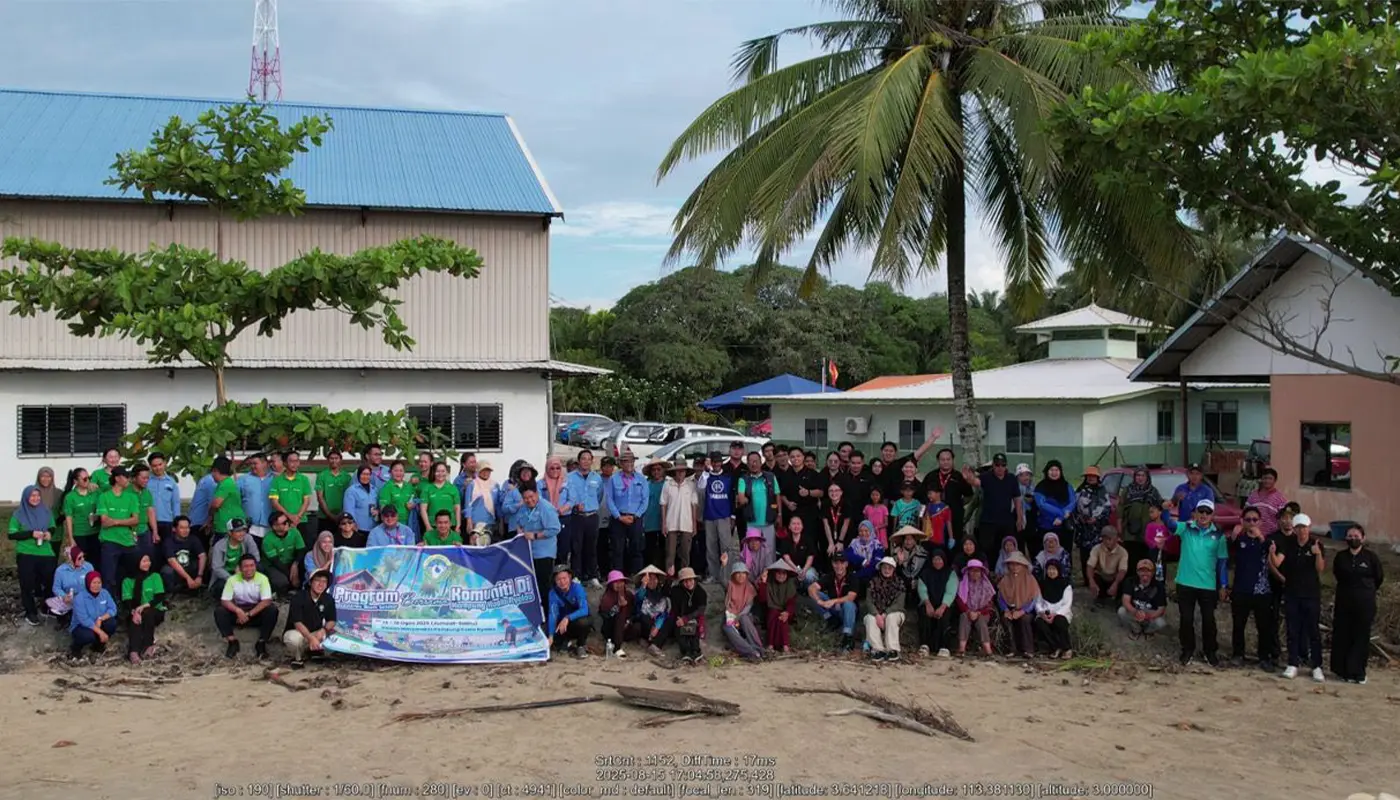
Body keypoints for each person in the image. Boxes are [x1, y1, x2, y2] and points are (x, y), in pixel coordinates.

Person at [1164, 497, 1228, 667]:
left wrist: (1223, 585)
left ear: (1212, 515)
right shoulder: (1186, 528)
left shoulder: (1218, 535)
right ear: (1195, 513)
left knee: (1209, 620)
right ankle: (1187, 650)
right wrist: (1165, 510)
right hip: (1185, 582)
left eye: (1208, 512)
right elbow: (1170, 525)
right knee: (1186, 619)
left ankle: (1210, 652)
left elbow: (1222, 562)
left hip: (1208, 585)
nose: (1204, 515)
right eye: (1201, 511)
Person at [1274, 513, 1325, 682]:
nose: (1302, 531)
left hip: (1311, 594)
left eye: (1304, 527)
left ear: (1309, 528)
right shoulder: (1289, 544)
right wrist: (1272, 553)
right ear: (1295, 529)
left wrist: (1317, 554)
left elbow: (1320, 568)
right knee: (1293, 630)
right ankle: (1292, 663)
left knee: (1313, 631)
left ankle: (1316, 666)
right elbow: (1278, 562)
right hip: (1292, 593)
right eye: (1299, 527)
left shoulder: (1316, 544)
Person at [1331, 524, 1383, 684]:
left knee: (1361, 637)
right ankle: (1343, 671)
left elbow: (1379, 578)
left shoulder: (1371, 557)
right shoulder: (1340, 557)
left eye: (1356, 536)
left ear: (1363, 538)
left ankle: (1358, 672)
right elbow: (1337, 575)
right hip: (1344, 603)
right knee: (1343, 635)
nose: (1353, 539)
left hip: (1364, 604)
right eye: (1350, 536)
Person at [1228, 507, 1278, 671]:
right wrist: (1233, 536)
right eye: (1248, 520)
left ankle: (1264, 657)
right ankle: (1238, 654)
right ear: (1242, 521)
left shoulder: (1267, 541)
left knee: (1264, 626)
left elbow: (1272, 557)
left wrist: (1260, 537)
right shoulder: (1238, 540)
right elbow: (1226, 555)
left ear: (1260, 522)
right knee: (1238, 625)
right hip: (1241, 589)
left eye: (1255, 520)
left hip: (1262, 591)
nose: (1251, 523)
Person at [216, 553, 279, 660]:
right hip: (238, 612)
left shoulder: (263, 578)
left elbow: (266, 601)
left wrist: (249, 614)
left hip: (255, 612)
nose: (249, 569)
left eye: (252, 565)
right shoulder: (232, 580)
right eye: (245, 566)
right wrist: (238, 611)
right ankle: (232, 642)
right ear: (240, 568)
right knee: (220, 611)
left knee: (272, 610)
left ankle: (261, 643)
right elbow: (225, 601)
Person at [11, 484, 58, 625]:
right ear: (26, 497)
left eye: (37, 495)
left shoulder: (46, 511)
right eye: (32, 496)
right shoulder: (18, 514)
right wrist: (31, 534)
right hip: (26, 552)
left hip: (45, 551)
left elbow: (52, 527)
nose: (35, 498)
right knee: (27, 583)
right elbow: (12, 534)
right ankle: (30, 612)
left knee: (50, 579)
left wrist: (49, 533)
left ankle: (47, 607)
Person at [514, 486, 562, 608]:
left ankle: (547, 612)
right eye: (525, 498)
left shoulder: (546, 508)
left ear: (537, 494)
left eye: (531, 496)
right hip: (529, 553)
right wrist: (519, 529)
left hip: (544, 553)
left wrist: (535, 535)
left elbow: (555, 529)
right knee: (531, 585)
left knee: (544, 585)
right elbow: (519, 522)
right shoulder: (523, 508)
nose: (529, 500)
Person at [967, 453, 1023, 556]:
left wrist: (1019, 517)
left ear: (1006, 466)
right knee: (987, 549)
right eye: (997, 465)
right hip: (988, 521)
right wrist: (969, 476)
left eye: (1003, 465)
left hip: (1006, 521)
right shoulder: (986, 477)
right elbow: (975, 482)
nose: (1000, 467)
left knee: (1008, 548)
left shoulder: (1011, 478)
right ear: (993, 465)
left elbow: (1017, 498)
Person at [97, 466, 141, 594]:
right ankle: (109, 602)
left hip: (128, 542)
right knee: (108, 577)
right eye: (126, 477)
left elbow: (135, 520)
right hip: (109, 541)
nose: (128, 480)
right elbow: (105, 521)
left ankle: (128, 601)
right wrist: (125, 521)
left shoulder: (132, 497)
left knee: (130, 575)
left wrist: (115, 521)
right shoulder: (104, 497)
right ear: (117, 478)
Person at [605, 452, 649, 579]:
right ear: (621, 464)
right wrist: (619, 517)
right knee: (617, 549)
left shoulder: (641, 479)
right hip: (618, 518)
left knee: (636, 548)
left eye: (631, 461)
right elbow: (609, 500)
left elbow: (645, 500)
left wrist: (636, 516)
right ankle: (618, 576)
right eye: (625, 461)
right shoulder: (614, 479)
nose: (629, 464)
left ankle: (636, 575)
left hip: (635, 518)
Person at [284, 569, 337, 668]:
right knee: (293, 638)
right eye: (317, 580)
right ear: (310, 582)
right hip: (299, 632)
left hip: (316, 632)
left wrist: (324, 630)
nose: (321, 584)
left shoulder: (328, 598)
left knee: (334, 632)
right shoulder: (298, 597)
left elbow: (332, 620)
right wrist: (311, 638)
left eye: (324, 581)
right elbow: (297, 623)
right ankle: (298, 658)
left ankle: (315, 652)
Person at [808, 552, 860, 651]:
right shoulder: (830, 576)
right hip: (833, 609)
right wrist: (820, 601)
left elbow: (851, 597)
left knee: (849, 604)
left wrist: (834, 601)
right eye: (836, 563)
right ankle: (830, 620)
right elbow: (811, 588)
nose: (839, 566)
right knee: (815, 594)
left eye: (842, 563)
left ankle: (848, 636)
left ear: (846, 564)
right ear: (832, 564)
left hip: (846, 611)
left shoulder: (853, 578)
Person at [121, 552, 166, 664]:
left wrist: (144, 606)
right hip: (136, 610)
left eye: (148, 561)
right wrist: (134, 612)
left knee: (147, 613)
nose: (148, 563)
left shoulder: (155, 576)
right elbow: (127, 601)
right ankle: (133, 652)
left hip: (155, 609)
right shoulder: (127, 581)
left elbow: (159, 596)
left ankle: (148, 646)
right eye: (144, 561)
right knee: (135, 620)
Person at [1116, 467, 1163, 568]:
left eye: (1143, 475)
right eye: (1138, 475)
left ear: (1147, 477)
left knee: (1146, 558)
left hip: (1147, 531)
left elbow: (1160, 508)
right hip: (1130, 531)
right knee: (1131, 557)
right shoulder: (1127, 490)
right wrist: (1119, 524)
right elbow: (1120, 507)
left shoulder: (1153, 491)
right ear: (1134, 477)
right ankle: (1132, 577)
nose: (1140, 478)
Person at [863, 556, 906, 661]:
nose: (887, 570)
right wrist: (877, 615)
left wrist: (885, 614)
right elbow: (869, 601)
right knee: (869, 619)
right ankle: (878, 650)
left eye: (889, 568)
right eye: (884, 568)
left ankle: (893, 650)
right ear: (880, 568)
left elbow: (899, 604)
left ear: (893, 569)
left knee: (891, 617)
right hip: (877, 613)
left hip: (895, 613)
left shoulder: (899, 583)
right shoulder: (873, 582)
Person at [915, 548, 957, 657]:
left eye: (939, 559)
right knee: (924, 613)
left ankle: (944, 647)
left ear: (944, 560)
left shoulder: (950, 573)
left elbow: (950, 592)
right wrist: (928, 604)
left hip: (945, 603)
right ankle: (925, 645)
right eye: (935, 559)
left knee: (945, 616)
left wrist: (942, 607)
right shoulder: (925, 573)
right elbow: (922, 589)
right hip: (928, 602)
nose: (937, 562)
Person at [659, 460, 698, 576]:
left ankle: (684, 577)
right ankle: (669, 578)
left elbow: (694, 505)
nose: (680, 473)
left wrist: (694, 524)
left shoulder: (691, 485)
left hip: (687, 523)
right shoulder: (668, 484)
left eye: (683, 471)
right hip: (671, 523)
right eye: (678, 471)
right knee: (670, 553)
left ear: (686, 472)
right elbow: (663, 504)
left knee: (685, 552)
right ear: (674, 472)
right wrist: (663, 523)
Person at [1072, 467, 1111, 580]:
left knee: (1098, 554)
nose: (1091, 478)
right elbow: (1074, 507)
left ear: (1097, 478)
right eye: (1088, 476)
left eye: (1093, 476)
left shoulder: (1102, 490)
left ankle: (1097, 579)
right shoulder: (1080, 490)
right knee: (1084, 555)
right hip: (1083, 529)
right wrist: (1080, 518)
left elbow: (1107, 508)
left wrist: (1097, 519)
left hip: (1098, 529)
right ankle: (1086, 579)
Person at [998, 551, 1039, 658]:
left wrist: (1023, 611)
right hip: (1010, 609)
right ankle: (1011, 649)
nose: (1014, 567)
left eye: (1017, 564)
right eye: (1012, 564)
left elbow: (1034, 599)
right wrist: (1006, 610)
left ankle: (1028, 650)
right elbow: (1001, 597)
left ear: (1023, 565)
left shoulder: (1030, 579)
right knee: (1005, 620)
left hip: (1027, 610)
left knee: (1025, 619)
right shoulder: (1005, 579)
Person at [69, 571, 118, 659]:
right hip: (81, 626)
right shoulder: (79, 598)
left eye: (99, 583)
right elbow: (84, 620)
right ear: (88, 583)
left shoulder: (104, 593)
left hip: (99, 622)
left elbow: (113, 609)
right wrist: (100, 632)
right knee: (88, 636)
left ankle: (98, 646)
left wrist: (100, 618)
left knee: (112, 623)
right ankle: (75, 648)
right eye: (94, 583)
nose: (97, 585)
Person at [546, 564, 592, 659]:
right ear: (555, 581)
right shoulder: (553, 593)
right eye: (558, 579)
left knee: (584, 622)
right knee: (548, 633)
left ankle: (580, 645)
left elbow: (584, 610)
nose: (562, 582)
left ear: (570, 577)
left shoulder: (577, 588)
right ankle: (566, 642)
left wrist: (567, 618)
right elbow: (552, 614)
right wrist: (550, 636)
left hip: (575, 621)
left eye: (564, 578)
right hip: (562, 625)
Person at [721, 561, 764, 661]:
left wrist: (738, 618)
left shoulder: (750, 587)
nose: (741, 576)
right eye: (738, 573)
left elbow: (748, 607)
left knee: (745, 619)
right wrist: (723, 566)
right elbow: (722, 579)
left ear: (747, 575)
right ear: (733, 575)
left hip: (745, 615)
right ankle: (751, 652)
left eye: (743, 573)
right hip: (731, 615)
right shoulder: (730, 585)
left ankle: (759, 649)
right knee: (727, 627)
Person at [210, 520, 262, 599]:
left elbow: (256, 556)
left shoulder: (248, 538)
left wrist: (241, 567)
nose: (242, 533)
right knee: (220, 586)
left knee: (260, 567)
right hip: (226, 574)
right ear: (230, 533)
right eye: (238, 531)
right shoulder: (219, 546)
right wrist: (234, 579)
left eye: (243, 530)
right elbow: (217, 568)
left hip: (243, 570)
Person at [1033, 560, 1074, 658]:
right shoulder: (1042, 584)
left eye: (1054, 569)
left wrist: (1056, 614)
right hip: (1045, 613)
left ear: (1059, 570)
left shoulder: (1066, 585)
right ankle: (1055, 648)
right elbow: (1038, 602)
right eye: (1049, 569)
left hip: (1061, 613)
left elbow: (1067, 604)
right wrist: (1042, 613)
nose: (1051, 572)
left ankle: (1067, 648)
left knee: (1059, 621)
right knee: (1040, 623)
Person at [956, 559, 996, 656]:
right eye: (972, 571)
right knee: (964, 617)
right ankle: (961, 649)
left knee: (981, 620)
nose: (975, 573)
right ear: (968, 572)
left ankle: (987, 650)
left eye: (977, 571)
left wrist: (978, 613)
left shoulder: (987, 585)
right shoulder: (963, 584)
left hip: (983, 613)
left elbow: (990, 605)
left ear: (981, 572)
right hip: (968, 611)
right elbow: (960, 601)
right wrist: (968, 611)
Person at [630, 565, 672, 657]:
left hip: (657, 626)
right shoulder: (641, 592)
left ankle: (654, 645)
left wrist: (657, 626)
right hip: (645, 624)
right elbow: (639, 598)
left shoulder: (661, 594)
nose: (652, 581)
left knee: (669, 620)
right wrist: (644, 585)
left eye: (654, 579)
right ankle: (649, 640)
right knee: (643, 617)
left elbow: (663, 613)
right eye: (649, 579)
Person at [1119, 559, 1168, 637]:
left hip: (1150, 612)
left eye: (1148, 570)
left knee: (1161, 623)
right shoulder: (1130, 581)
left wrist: (1149, 616)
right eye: (1141, 570)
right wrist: (1135, 612)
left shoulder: (1159, 586)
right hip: (1134, 610)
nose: (1145, 573)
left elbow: (1161, 609)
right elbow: (1125, 601)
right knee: (1121, 611)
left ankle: (1148, 631)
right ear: (1137, 572)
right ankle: (1136, 629)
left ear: (1153, 573)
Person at [261, 511, 306, 595]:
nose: (288, 524)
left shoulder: (294, 531)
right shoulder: (268, 540)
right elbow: (276, 561)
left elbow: (301, 550)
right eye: (284, 523)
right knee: (282, 581)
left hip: (291, 562)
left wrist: (295, 565)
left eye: (288, 521)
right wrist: (292, 576)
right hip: (274, 565)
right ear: (274, 526)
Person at [49, 546, 94, 628]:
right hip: (69, 598)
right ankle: (63, 620)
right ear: (71, 559)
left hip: (85, 597)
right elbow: (56, 588)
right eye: (79, 558)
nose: (83, 559)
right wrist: (64, 596)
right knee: (57, 601)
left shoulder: (88, 567)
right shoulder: (60, 571)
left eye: (83, 556)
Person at [160, 516, 207, 596]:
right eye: (182, 528)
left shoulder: (193, 539)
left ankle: (193, 586)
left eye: (187, 527)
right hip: (176, 570)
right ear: (174, 529)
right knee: (166, 570)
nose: (186, 530)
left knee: (200, 563)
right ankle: (172, 591)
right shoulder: (168, 541)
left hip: (189, 568)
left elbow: (202, 555)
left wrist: (200, 576)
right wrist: (187, 578)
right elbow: (172, 561)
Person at [61, 468, 101, 560]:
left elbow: (104, 506)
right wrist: (71, 538)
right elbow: (69, 518)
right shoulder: (70, 497)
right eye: (84, 479)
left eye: (89, 478)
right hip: (80, 534)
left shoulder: (95, 492)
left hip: (96, 532)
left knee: (96, 561)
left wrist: (97, 516)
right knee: (81, 561)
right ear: (76, 481)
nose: (88, 481)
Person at [670, 567, 708, 663]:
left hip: (695, 618)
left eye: (690, 580)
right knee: (680, 631)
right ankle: (686, 652)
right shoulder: (676, 591)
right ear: (681, 582)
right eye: (685, 581)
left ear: (694, 580)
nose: (688, 583)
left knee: (694, 631)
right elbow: (675, 609)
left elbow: (701, 610)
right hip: (680, 618)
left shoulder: (700, 592)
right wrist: (681, 620)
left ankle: (696, 651)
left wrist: (687, 619)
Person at [764, 559, 800, 652]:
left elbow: (791, 602)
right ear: (774, 574)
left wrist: (787, 612)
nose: (781, 576)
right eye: (779, 573)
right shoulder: (769, 583)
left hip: (787, 611)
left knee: (783, 618)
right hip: (771, 609)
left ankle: (785, 646)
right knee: (774, 615)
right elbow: (763, 599)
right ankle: (771, 645)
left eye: (784, 573)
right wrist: (763, 583)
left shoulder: (790, 584)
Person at [1085, 527, 1129, 602]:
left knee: (1123, 580)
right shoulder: (1096, 548)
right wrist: (1091, 581)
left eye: (1109, 539)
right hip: (1102, 575)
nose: (1107, 541)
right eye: (1104, 539)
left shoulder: (1123, 552)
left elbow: (1122, 570)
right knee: (1095, 577)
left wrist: (1115, 583)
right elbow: (1090, 565)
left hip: (1114, 577)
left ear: (1116, 539)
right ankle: (1099, 597)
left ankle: (1118, 599)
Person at [418, 461, 461, 535]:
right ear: (433, 472)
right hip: (432, 526)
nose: (440, 474)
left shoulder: (453, 488)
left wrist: (458, 526)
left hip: (450, 526)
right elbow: (423, 509)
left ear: (446, 472)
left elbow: (457, 508)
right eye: (437, 471)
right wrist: (428, 526)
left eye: (443, 471)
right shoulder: (427, 488)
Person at [598, 570, 634, 658]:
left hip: (625, 627)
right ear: (611, 584)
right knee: (620, 614)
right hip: (611, 628)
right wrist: (618, 606)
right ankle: (617, 648)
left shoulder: (629, 595)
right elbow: (606, 616)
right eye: (616, 582)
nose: (619, 584)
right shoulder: (606, 597)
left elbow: (633, 612)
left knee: (637, 627)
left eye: (621, 582)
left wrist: (628, 621)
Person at [315, 451, 352, 535]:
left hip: (342, 517)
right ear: (328, 460)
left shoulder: (347, 477)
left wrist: (342, 514)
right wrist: (330, 515)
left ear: (341, 460)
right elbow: (320, 497)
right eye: (331, 458)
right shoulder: (321, 476)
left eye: (336, 458)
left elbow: (349, 497)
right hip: (324, 517)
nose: (334, 461)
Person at [342, 465, 378, 536]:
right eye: (363, 474)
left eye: (368, 474)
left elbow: (378, 506)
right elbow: (348, 510)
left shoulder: (375, 490)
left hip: (373, 528)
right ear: (358, 475)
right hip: (358, 529)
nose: (365, 477)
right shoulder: (351, 491)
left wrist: (377, 511)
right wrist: (352, 525)